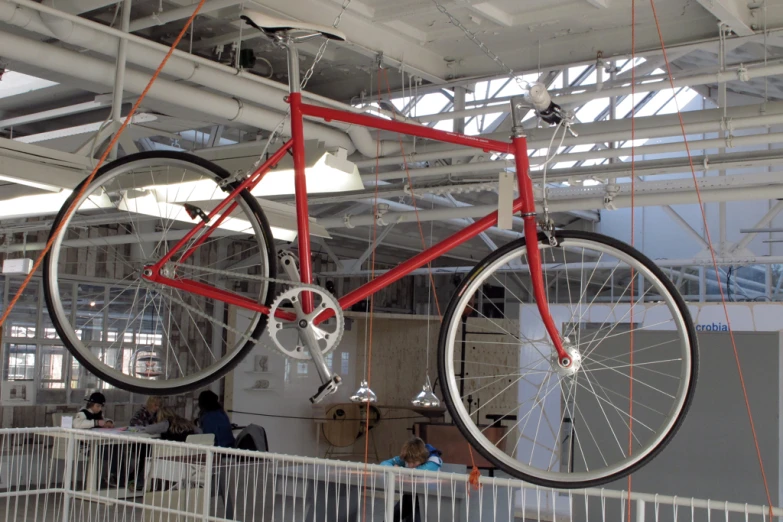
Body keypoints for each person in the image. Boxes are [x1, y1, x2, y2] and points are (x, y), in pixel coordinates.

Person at [381, 437, 443, 522]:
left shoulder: (433, 462)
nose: (410, 465)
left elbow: (418, 473)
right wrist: (394, 468)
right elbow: (383, 464)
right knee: (390, 517)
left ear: (422, 458)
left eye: (414, 462)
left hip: (428, 498)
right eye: (408, 462)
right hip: (410, 495)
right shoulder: (408, 458)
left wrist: (399, 470)